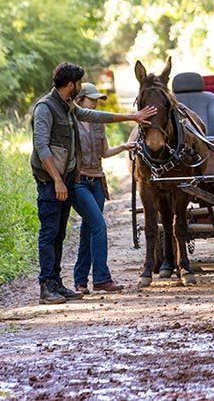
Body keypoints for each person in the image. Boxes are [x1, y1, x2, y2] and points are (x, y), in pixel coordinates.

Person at [31, 63, 155, 305]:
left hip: (65, 180)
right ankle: (46, 286)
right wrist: (57, 179)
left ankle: (56, 284)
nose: (79, 87)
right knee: (48, 233)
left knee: (58, 234)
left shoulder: (67, 106)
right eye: (78, 83)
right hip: (51, 182)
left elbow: (94, 116)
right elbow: (41, 145)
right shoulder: (45, 108)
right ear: (71, 85)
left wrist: (131, 117)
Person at [73, 82, 136, 294]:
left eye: (97, 100)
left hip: (97, 181)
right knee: (98, 225)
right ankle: (101, 278)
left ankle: (80, 280)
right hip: (79, 182)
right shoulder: (70, 122)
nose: (96, 104)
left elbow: (105, 152)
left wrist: (123, 147)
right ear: (80, 100)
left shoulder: (98, 124)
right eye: (92, 100)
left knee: (88, 229)